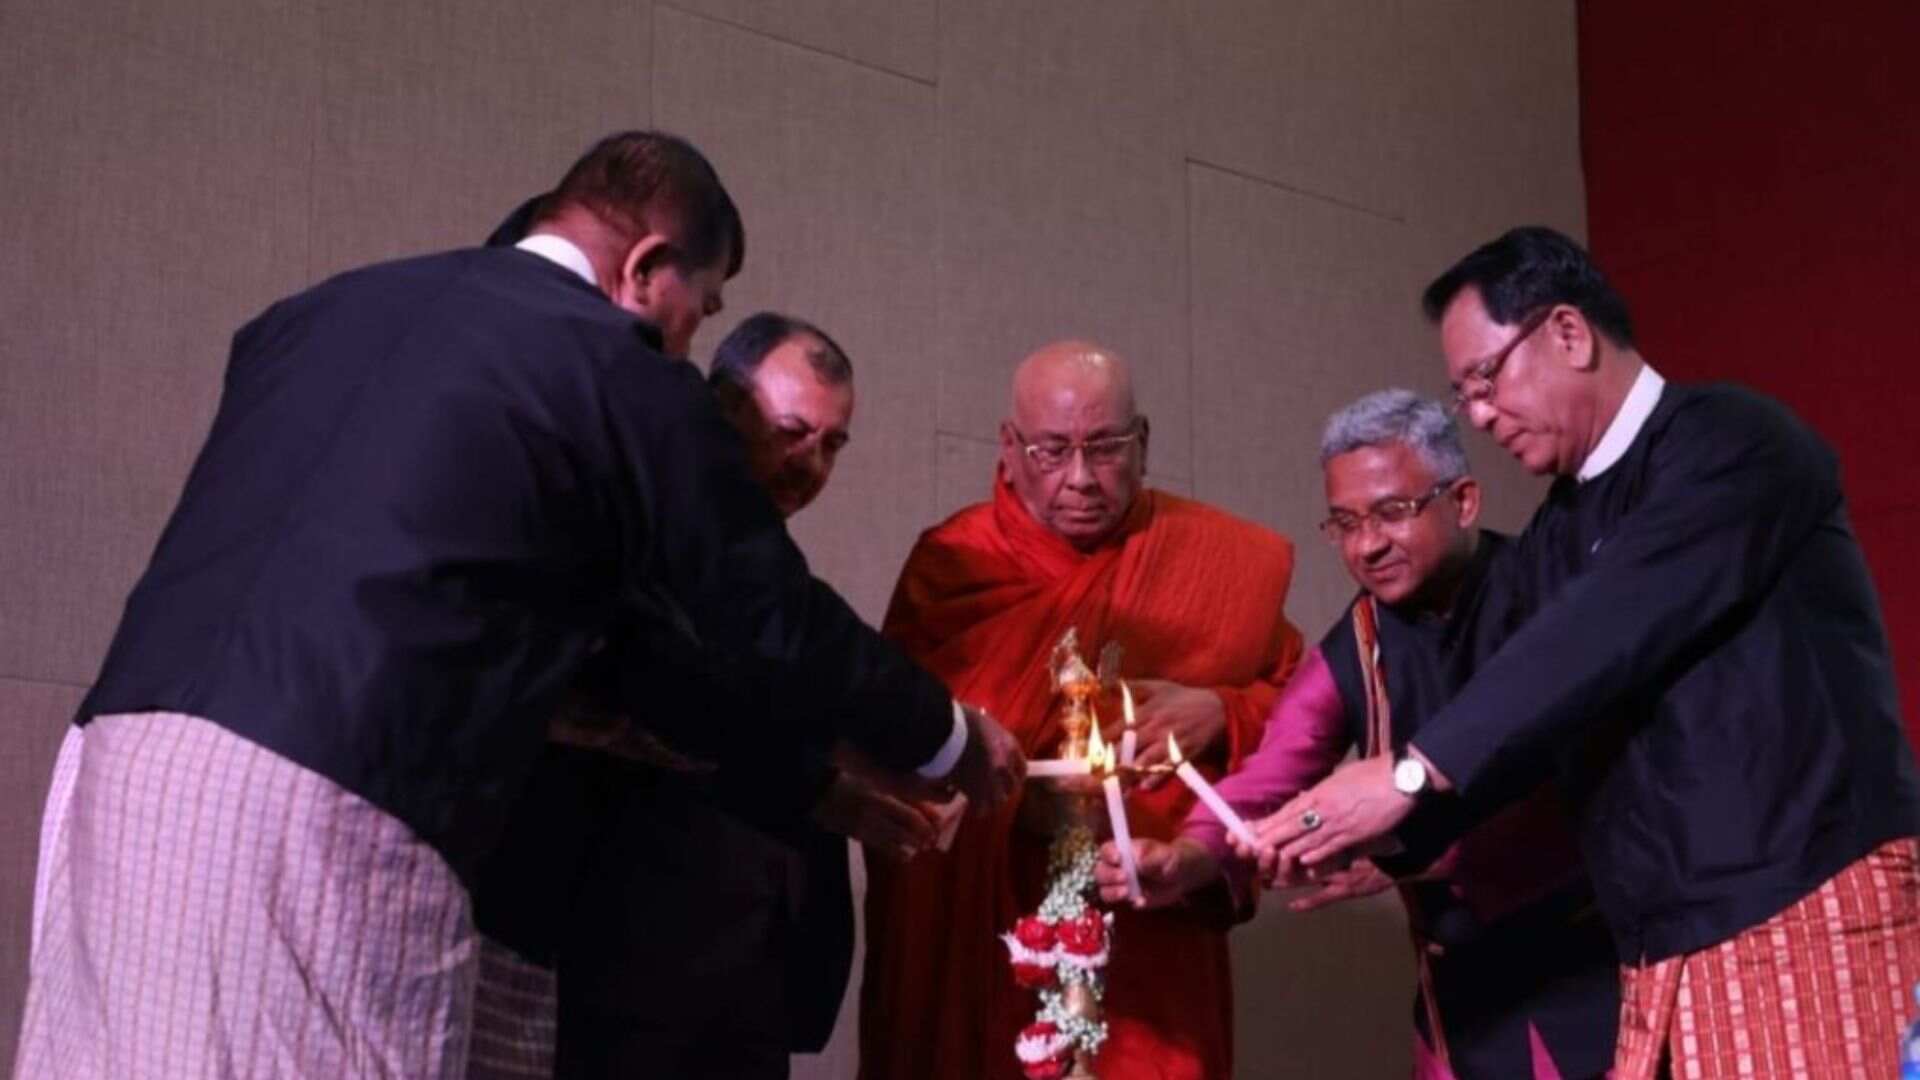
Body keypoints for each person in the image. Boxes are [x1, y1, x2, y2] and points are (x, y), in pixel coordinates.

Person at [13, 130, 1023, 1080]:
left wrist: (807, 783)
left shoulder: (319, 312)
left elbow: (610, 653)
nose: (684, 340)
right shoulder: (616, 366)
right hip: (333, 781)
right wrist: (948, 735)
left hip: (118, 757)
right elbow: (765, 615)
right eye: (701, 306)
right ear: (648, 266)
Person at [1259, 226, 1920, 1078]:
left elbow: (1603, 632)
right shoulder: (1552, 537)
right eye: (1465, 398)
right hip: (1658, 945)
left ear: (1567, 333)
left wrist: (1405, 776)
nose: (1483, 417)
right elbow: (1513, 718)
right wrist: (1364, 833)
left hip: (1805, 906)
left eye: (1485, 382)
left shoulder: (1733, 442)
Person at [467, 312, 935, 1080]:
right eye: (790, 432)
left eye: (831, 444)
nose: (809, 465)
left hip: (758, 968)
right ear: (719, 410)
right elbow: (668, 707)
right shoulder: (636, 537)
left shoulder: (777, 586)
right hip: (624, 961)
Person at [1097, 389, 1617, 1079]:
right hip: (1462, 994)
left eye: (1391, 513)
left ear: (1463, 501)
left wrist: (1400, 843)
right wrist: (1190, 856)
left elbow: (1577, 778)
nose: (1367, 545)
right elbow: (1270, 775)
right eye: (1344, 522)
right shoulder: (1356, 645)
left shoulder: (1551, 594)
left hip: (1602, 961)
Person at [860, 340, 1304, 1080]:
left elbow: (1308, 715)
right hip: (993, 923)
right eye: (1050, 449)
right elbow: (889, 758)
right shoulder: (955, 567)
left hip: (1151, 930)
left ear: (1144, 442)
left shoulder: (1212, 564)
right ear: (1008, 448)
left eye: (1104, 449)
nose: (1080, 479)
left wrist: (1223, 713)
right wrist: (1007, 803)